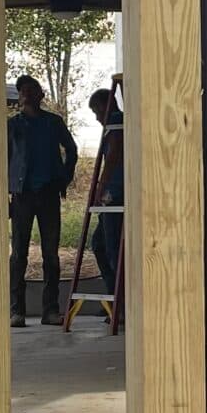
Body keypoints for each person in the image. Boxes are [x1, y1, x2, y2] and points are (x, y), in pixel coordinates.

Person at [6, 74, 79, 326]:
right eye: (21, 91)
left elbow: (71, 149)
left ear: (40, 95)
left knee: (51, 254)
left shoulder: (53, 123)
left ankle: (50, 310)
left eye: (30, 89)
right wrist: (7, 191)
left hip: (48, 193)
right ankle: (16, 311)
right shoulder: (13, 125)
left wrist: (64, 178)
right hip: (22, 195)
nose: (25, 94)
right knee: (18, 255)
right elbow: (3, 157)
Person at [87, 84, 124, 299]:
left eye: (96, 111)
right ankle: (113, 295)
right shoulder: (115, 123)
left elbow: (113, 157)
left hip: (115, 194)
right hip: (112, 193)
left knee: (111, 247)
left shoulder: (116, 122)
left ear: (105, 106)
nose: (97, 117)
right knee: (99, 244)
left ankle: (120, 300)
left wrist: (100, 186)